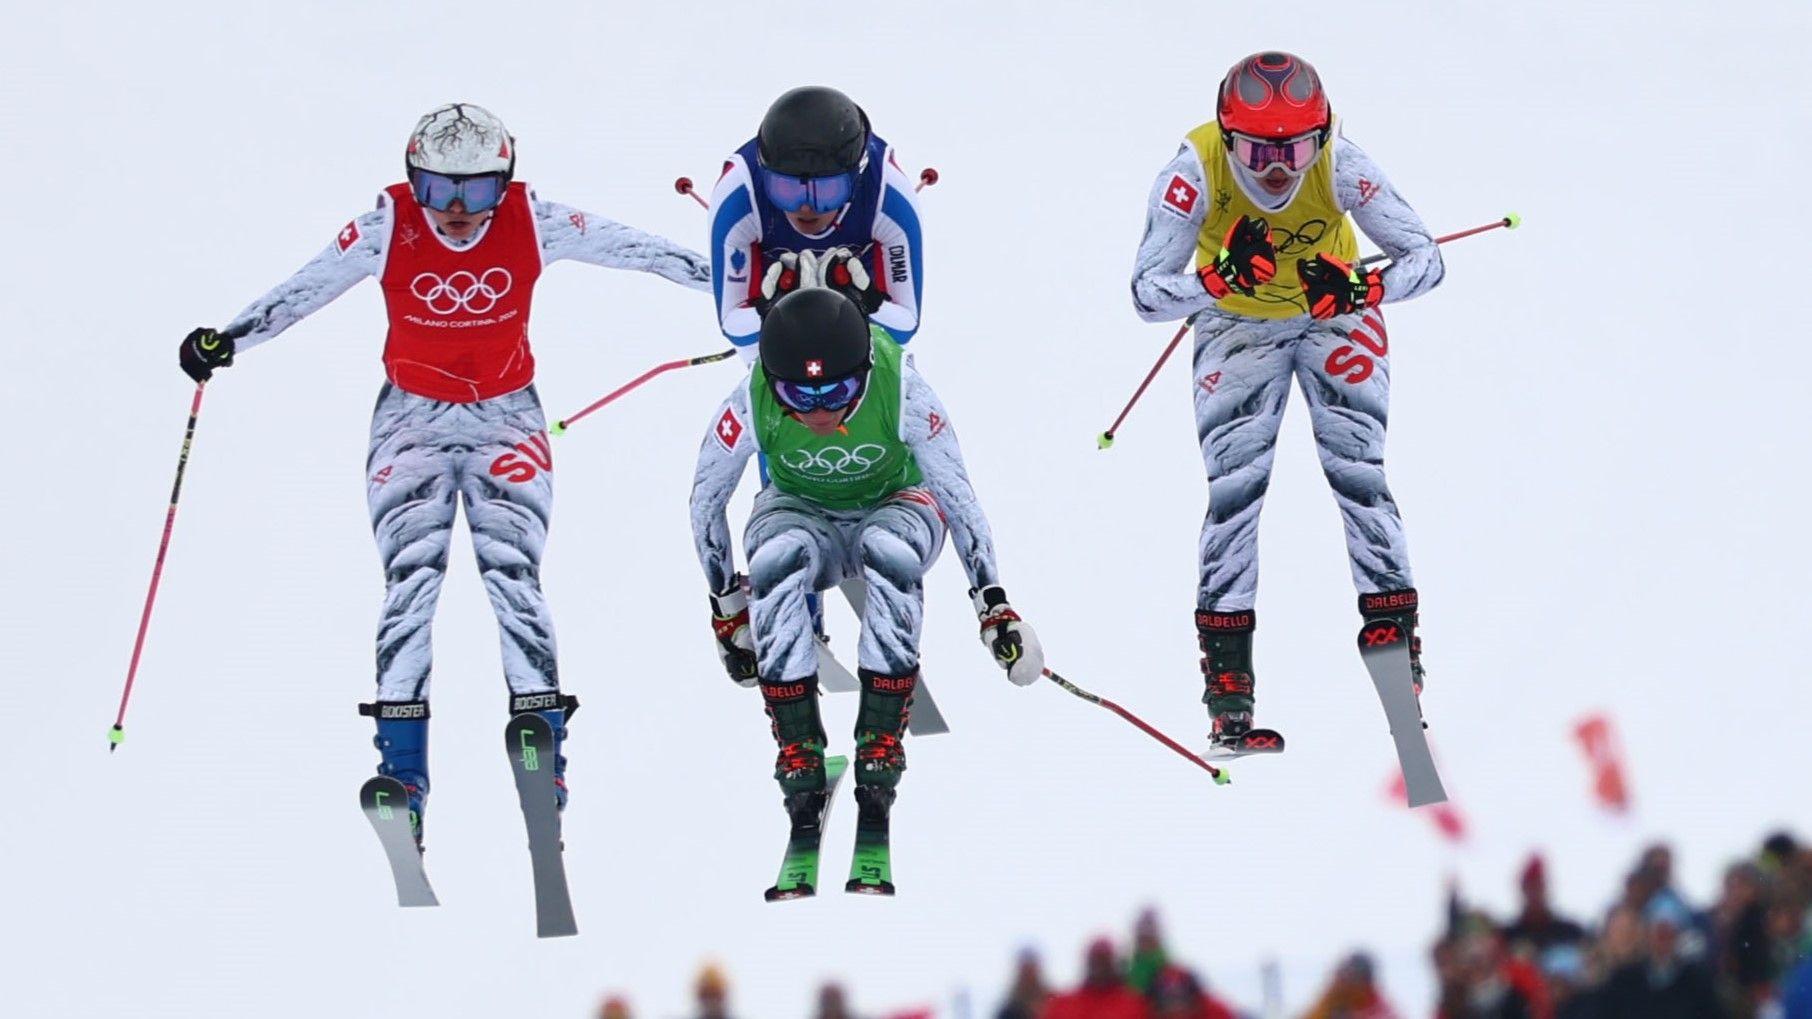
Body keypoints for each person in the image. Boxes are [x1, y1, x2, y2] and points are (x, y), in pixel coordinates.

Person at [177, 102, 711, 845]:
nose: (457, 211)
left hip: (505, 417)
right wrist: (229, 339)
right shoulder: (384, 227)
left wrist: (739, 288)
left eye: (478, 190)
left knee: (513, 574)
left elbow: (638, 250)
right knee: (411, 581)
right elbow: (305, 289)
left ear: (506, 182)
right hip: (412, 421)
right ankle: (403, 776)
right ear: (412, 179)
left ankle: (543, 752)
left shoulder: (535, 222)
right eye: (437, 189)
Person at [1127, 51, 1445, 753]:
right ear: (1226, 137)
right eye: (1257, 151)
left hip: (1334, 317)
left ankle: (1395, 641)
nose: (1277, 170)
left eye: (1296, 149)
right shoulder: (1192, 173)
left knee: (1359, 474)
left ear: (1322, 136)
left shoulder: (1341, 164)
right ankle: (1228, 687)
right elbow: (1146, 293)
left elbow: (1427, 259)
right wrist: (1216, 280)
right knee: (1235, 493)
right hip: (1237, 326)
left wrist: (1364, 287)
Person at [688, 289, 1042, 879]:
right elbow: (706, 499)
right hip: (801, 511)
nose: (820, 413)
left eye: (839, 393)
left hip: (896, 502)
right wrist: (728, 608)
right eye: (799, 397)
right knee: (775, 556)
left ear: (867, 370)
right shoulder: (748, 399)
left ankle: (880, 741)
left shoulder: (905, 390)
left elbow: (958, 495)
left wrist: (993, 604)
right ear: (772, 381)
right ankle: (797, 746)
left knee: (888, 551)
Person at [709, 86, 925, 356]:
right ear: (765, 176)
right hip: (771, 279)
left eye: (827, 191)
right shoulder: (739, 194)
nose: (806, 207)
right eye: (785, 190)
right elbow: (734, 329)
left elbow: (905, 327)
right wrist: (769, 307)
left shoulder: (888, 194)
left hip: (861, 278)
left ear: (855, 179)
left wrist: (867, 301)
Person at [1040, 938, 1150, 1019]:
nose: (1099, 966)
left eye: (1104, 960)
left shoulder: (1135, 1005)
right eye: (1096, 960)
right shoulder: (1062, 1005)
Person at [1504, 855, 1588, 956]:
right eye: (1530, 888)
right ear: (1523, 890)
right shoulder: (1508, 937)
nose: (1534, 894)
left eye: (1538, 887)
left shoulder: (1570, 933)